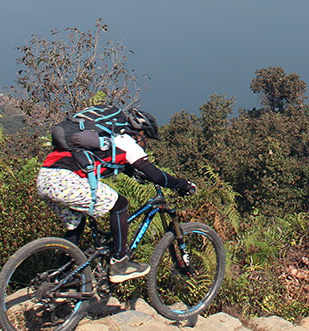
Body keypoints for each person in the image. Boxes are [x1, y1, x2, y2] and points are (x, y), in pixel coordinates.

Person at [36, 106, 195, 282]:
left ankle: (60, 276)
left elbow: (115, 163)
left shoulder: (109, 139)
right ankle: (119, 262)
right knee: (120, 204)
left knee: (77, 223)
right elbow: (156, 176)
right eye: (145, 138)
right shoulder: (126, 142)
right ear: (139, 133)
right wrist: (182, 184)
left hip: (45, 179)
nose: (144, 143)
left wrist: (133, 173)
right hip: (64, 181)